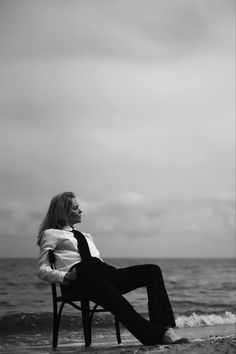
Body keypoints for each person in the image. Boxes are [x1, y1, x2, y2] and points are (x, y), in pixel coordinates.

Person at [37, 192, 189, 346]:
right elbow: (42, 269)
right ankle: (156, 335)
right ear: (64, 212)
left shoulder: (86, 236)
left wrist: (111, 274)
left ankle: (164, 328)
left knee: (152, 271)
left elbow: (97, 262)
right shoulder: (51, 234)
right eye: (76, 208)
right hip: (78, 278)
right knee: (105, 289)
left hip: (102, 271)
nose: (81, 211)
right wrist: (65, 276)